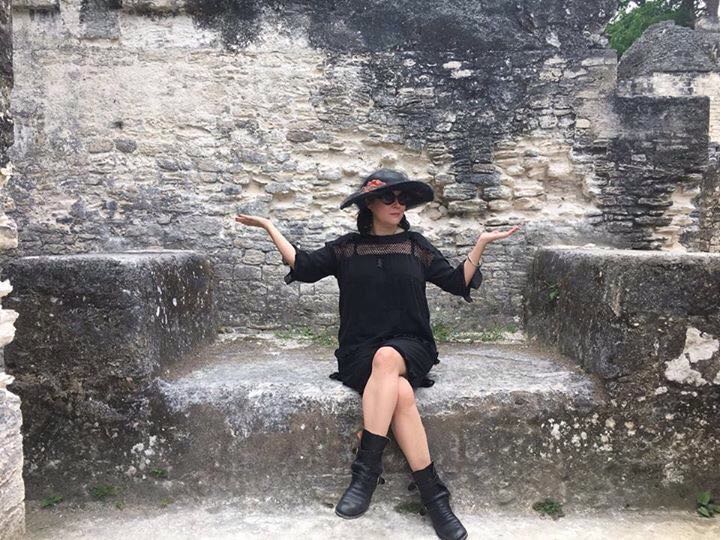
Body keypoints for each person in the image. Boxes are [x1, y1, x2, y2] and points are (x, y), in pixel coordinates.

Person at [235, 168, 520, 540]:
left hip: (411, 345)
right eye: (388, 197)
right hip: (359, 351)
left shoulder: (415, 246)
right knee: (399, 391)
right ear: (369, 203)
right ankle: (435, 497)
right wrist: (270, 227)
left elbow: (456, 282)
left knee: (387, 359)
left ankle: (365, 473)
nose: (397, 204)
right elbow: (303, 266)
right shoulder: (346, 248)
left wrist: (480, 243)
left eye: (402, 199)